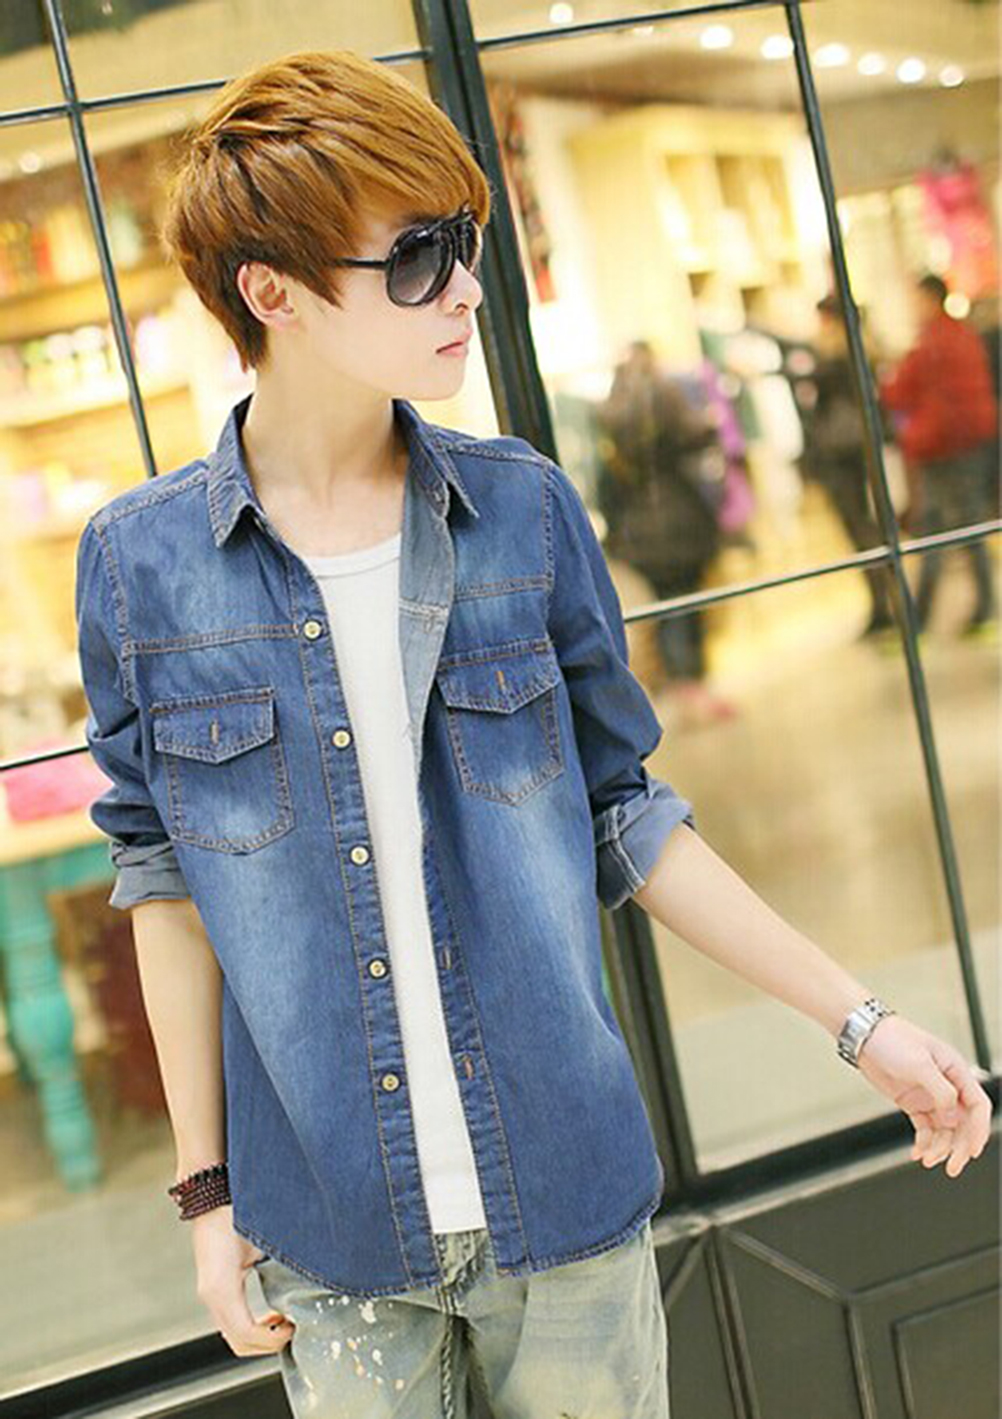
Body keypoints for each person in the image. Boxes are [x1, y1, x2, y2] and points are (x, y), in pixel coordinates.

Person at [74, 50, 993, 1419]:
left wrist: (859, 1023)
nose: (465, 286)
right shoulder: (142, 565)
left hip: (562, 1201)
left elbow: (628, 813)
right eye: (416, 258)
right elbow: (163, 886)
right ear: (271, 293)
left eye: (466, 243)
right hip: (332, 1236)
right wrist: (206, 1195)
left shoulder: (522, 512)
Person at [596, 340, 736, 725]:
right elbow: (696, 437)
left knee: (667, 608)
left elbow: (606, 486)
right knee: (686, 608)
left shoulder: (610, 413)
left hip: (637, 530)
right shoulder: (665, 395)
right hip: (679, 520)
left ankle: (683, 689)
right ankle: (693, 690)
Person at [880, 274, 998, 636]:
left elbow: (898, 393)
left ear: (931, 300)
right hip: (969, 442)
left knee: (936, 531)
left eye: (917, 300)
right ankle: (977, 610)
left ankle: (921, 620)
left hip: (943, 447)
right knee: (968, 525)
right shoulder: (963, 335)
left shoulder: (932, 343)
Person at [799, 296, 895, 637]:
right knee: (874, 527)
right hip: (864, 443)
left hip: (843, 450)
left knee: (861, 529)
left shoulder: (835, 356)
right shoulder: (866, 349)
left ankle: (884, 605)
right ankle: (887, 602)